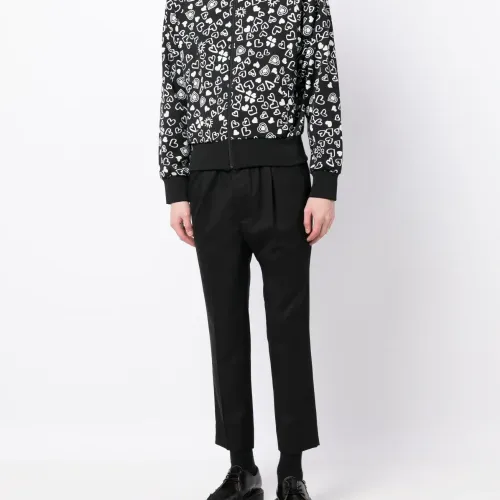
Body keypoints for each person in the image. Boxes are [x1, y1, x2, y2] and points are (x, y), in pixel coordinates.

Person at [158, 0, 342, 496]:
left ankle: (292, 470)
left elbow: (322, 87)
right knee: (225, 325)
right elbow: (175, 94)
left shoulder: (302, 4)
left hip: (282, 180)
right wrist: (176, 188)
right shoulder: (185, 6)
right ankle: (242, 467)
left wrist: (325, 182)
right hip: (208, 184)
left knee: (288, 325)